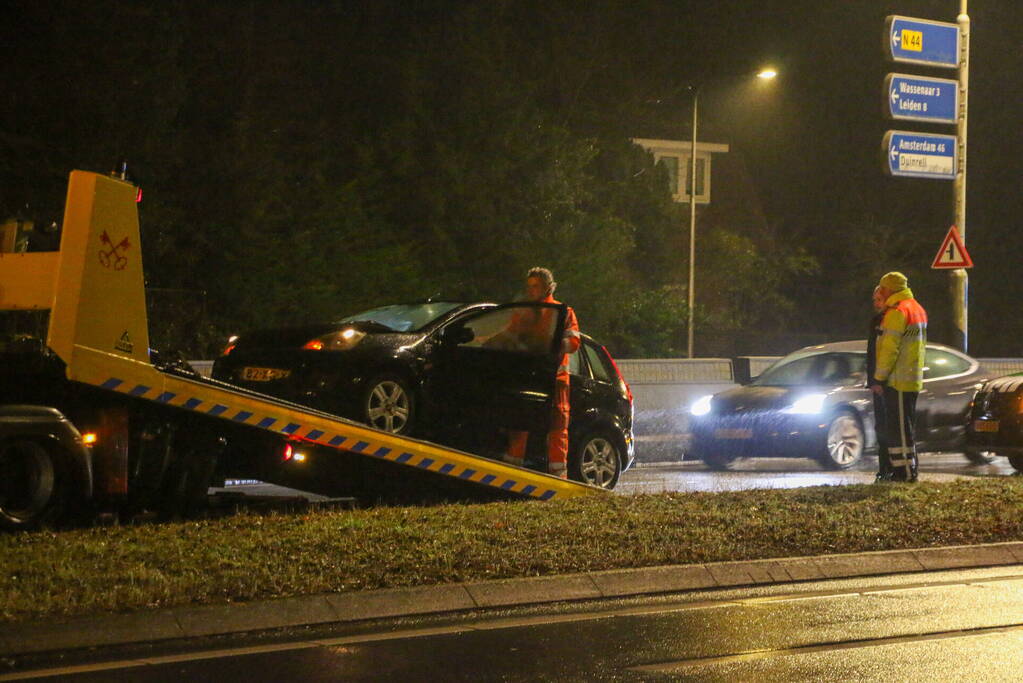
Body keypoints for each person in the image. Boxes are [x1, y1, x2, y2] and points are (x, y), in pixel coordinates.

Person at [503, 267, 580, 478]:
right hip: (529, 376)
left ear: (547, 287)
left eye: (535, 286)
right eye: (529, 287)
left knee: (557, 427)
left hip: (556, 379)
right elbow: (509, 335)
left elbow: (573, 342)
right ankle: (513, 469)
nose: (531, 291)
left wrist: (551, 346)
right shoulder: (524, 312)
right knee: (520, 422)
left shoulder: (563, 311)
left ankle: (558, 473)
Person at [871, 271, 927, 482]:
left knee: (900, 430)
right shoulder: (917, 309)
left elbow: (889, 350)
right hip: (910, 378)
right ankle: (905, 470)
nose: (881, 290)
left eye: (883, 287)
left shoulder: (898, 312)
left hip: (898, 381)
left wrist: (878, 377)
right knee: (905, 428)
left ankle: (904, 473)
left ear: (890, 289)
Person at [867, 286, 891, 481]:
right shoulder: (877, 321)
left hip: (887, 384)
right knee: (881, 428)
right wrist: (872, 380)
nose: (876, 304)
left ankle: (888, 469)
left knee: (886, 429)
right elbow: (872, 354)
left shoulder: (891, 320)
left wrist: (878, 380)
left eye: (879, 300)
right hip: (879, 383)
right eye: (874, 300)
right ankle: (884, 469)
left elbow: (884, 353)